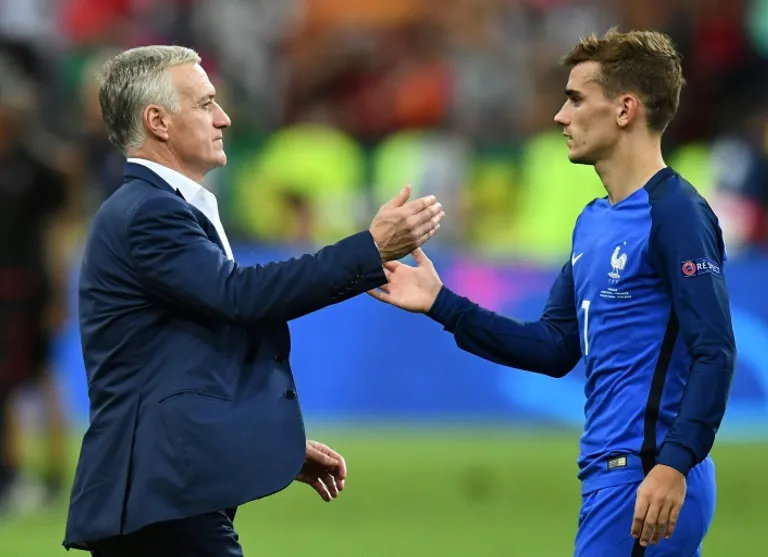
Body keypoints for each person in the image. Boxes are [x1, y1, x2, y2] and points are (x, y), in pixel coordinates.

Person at [63, 45, 445, 557]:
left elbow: (184, 357)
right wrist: (370, 250)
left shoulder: (159, 208)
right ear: (157, 121)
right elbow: (241, 296)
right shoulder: (149, 213)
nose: (223, 118)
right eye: (205, 103)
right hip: (162, 491)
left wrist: (265, 441)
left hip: (166, 488)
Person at [369, 29, 736, 557]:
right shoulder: (593, 222)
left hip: (646, 476)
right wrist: (441, 304)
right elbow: (555, 346)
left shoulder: (675, 213)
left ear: (625, 109)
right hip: (615, 478)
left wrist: (674, 464)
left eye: (576, 99)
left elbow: (714, 349)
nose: (561, 117)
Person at [0, 58, 69, 513]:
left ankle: (48, 472)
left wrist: (58, 295)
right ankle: (12, 471)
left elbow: (55, 233)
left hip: (27, 290)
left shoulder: (36, 167)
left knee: (38, 376)